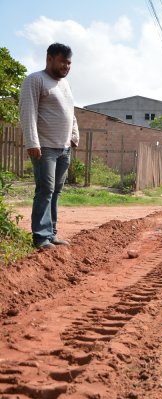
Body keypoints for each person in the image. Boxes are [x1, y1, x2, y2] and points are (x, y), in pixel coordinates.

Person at [19, 43, 79, 249]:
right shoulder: (35, 80)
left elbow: (71, 113)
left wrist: (74, 135)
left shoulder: (65, 84)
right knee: (45, 189)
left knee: (56, 191)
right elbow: (28, 112)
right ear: (50, 58)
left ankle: (52, 233)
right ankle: (41, 236)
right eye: (63, 61)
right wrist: (32, 142)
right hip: (44, 147)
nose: (66, 66)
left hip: (64, 148)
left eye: (69, 63)